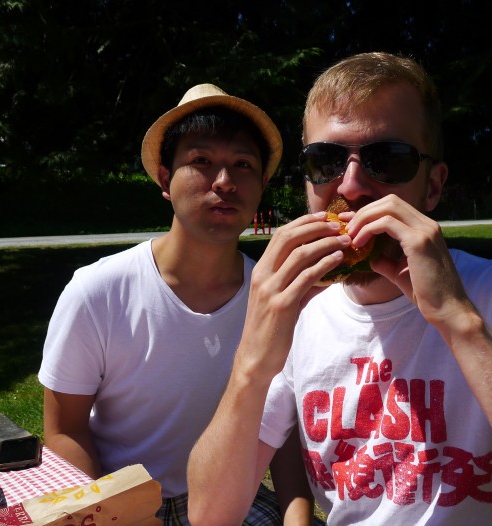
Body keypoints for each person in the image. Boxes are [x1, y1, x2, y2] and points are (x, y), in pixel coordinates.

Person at [187, 53, 492, 525]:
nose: (350, 186)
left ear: (433, 187)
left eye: (386, 159)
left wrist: (459, 322)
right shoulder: (301, 315)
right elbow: (210, 516)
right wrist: (252, 358)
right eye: (326, 160)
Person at [38, 83, 315, 525]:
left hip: (231, 495)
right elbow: (65, 429)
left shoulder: (276, 295)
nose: (224, 182)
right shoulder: (97, 291)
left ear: (262, 184)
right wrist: (106, 512)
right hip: (121, 500)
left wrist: (296, 514)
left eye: (242, 164)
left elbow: (279, 426)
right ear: (165, 178)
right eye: (201, 161)